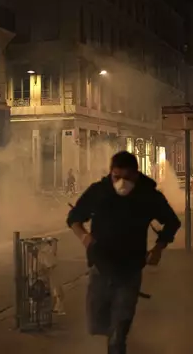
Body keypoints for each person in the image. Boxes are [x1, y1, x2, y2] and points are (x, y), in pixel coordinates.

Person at [67, 151, 181, 354]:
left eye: (127, 178)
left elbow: (172, 222)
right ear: (110, 174)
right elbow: (74, 217)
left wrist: (158, 248)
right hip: (100, 267)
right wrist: (84, 237)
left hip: (129, 269)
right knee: (98, 324)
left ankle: (117, 344)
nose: (121, 183)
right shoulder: (99, 191)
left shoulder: (147, 195)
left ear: (136, 175)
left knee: (119, 329)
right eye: (116, 177)